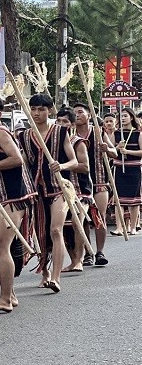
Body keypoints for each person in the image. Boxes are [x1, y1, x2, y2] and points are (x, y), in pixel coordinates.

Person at [0, 94, 36, 312]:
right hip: (0, 198)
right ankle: (9, 295)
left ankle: (5, 298)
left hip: (14, 197)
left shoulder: (0, 132)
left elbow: (16, 159)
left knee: (2, 245)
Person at [17, 94, 80, 293]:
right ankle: (44, 272)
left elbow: (74, 161)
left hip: (58, 188)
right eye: (33, 109)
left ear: (49, 110)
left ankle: (56, 277)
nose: (37, 113)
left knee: (55, 230)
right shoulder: (24, 136)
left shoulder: (61, 132)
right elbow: (25, 162)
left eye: (41, 109)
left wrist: (60, 165)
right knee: (41, 233)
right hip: (36, 190)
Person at [71, 103, 116, 266]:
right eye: (74, 112)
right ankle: (87, 252)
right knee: (81, 218)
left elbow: (114, 152)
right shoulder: (69, 133)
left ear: (89, 115)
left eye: (80, 112)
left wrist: (107, 149)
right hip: (78, 182)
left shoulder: (97, 131)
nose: (77, 115)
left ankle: (99, 252)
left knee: (99, 216)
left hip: (99, 180)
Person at [55, 108, 92, 273]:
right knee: (60, 226)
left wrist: (66, 164)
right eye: (59, 121)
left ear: (72, 124)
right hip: (59, 189)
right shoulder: (52, 141)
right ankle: (72, 259)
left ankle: (79, 260)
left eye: (65, 122)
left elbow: (85, 167)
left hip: (80, 189)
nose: (61, 125)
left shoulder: (78, 142)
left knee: (77, 222)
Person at [111, 107, 141, 235]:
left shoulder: (138, 133)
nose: (122, 118)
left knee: (134, 200)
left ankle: (133, 227)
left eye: (125, 116)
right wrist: (118, 147)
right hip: (119, 168)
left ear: (132, 117)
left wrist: (127, 151)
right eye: (121, 116)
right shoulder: (116, 133)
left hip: (133, 169)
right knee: (119, 199)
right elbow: (110, 152)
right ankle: (119, 227)